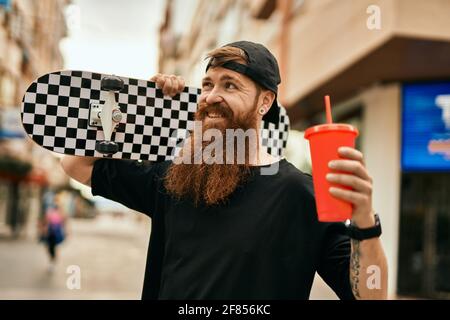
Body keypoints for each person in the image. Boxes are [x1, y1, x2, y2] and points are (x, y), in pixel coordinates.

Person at [61, 41, 388, 299]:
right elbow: (75, 164)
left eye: (230, 85)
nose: (212, 96)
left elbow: (369, 296)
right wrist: (141, 108)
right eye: (207, 85)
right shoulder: (176, 176)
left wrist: (364, 220)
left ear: (265, 102)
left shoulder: (301, 194)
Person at [39, 203, 66, 272]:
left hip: (55, 234)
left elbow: (63, 223)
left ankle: (52, 262)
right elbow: (45, 222)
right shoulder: (50, 213)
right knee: (50, 248)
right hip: (50, 233)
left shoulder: (59, 214)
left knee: (52, 248)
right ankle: (52, 261)